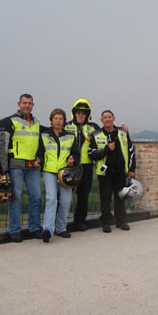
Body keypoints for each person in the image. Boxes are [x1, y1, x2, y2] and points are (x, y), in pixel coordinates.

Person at [0, 94, 43, 242]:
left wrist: (39, 158)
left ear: (33, 105)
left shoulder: (36, 122)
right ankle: (15, 230)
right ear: (19, 104)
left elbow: (40, 144)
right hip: (15, 167)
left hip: (32, 168)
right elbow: (2, 147)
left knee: (36, 197)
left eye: (30, 103)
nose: (27, 105)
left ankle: (34, 228)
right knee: (15, 198)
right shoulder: (9, 121)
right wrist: (4, 170)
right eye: (24, 103)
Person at [88, 110, 135, 233]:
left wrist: (131, 169)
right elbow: (91, 154)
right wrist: (106, 149)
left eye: (110, 117)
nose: (107, 119)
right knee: (105, 198)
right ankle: (106, 223)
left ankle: (121, 221)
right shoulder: (95, 134)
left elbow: (130, 150)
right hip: (104, 173)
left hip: (120, 171)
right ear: (101, 120)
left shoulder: (123, 132)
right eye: (105, 117)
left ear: (114, 119)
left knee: (121, 197)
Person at [39, 108, 78, 243]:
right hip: (49, 170)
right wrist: (39, 160)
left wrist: (73, 159)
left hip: (65, 172)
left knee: (66, 201)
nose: (58, 121)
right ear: (51, 120)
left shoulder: (71, 136)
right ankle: (48, 230)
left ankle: (61, 228)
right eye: (56, 118)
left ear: (64, 121)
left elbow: (75, 153)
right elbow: (40, 152)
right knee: (51, 198)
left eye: (61, 118)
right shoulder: (43, 135)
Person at [64, 98, 100, 231]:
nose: (80, 115)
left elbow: (106, 132)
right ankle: (60, 222)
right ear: (74, 113)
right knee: (65, 194)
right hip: (69, 165)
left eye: (83, 113)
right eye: (78, 112)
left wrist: (122, 128)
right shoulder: (66, 126)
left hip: (87, 165)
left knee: (84, 195)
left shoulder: (93, 127)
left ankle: (80, 221)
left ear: (87, 114)